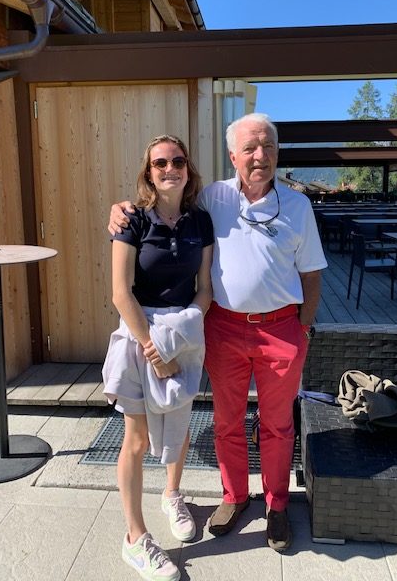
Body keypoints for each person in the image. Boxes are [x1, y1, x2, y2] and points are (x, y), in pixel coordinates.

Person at [109, 113, 327, 553]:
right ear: (233, 156)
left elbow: (312, 275)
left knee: (278, 424)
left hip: (282, 329)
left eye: (267, 146)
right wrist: (120, 208)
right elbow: (163, 202)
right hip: (224, 328)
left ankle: (277, 504)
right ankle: (234, 496)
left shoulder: (298, 206)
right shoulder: (213, 198)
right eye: (249, 148)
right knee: (226, 422)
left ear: (277, 152)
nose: (259, 156)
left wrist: (304, 327)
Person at [103, 134, 213, 581]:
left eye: (178, 161)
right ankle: (135, 538)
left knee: (180, 425)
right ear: (148, 173)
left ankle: (172, 494)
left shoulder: (200, 221)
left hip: (183, 329)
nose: (170, 168)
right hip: (137, 333)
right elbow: (120, 292)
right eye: (160, 163)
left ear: (188, 169)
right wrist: (154, 349)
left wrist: (180, 333)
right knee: (137, 439)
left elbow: (205, 290)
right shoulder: (131, 219)